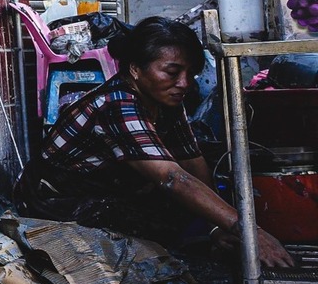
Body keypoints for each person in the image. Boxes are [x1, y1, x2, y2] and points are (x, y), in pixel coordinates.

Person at [18, 17, 294, 268]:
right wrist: (251, 233)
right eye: (172, 72)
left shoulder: (166, 100)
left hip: (109, 187)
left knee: (205, 192)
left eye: (190, 73)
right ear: (135, 69)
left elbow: (192, 162)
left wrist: (218, 226)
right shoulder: (117, 104)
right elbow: (172, 178)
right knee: (156, 221)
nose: (184, 83)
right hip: (56, 201)